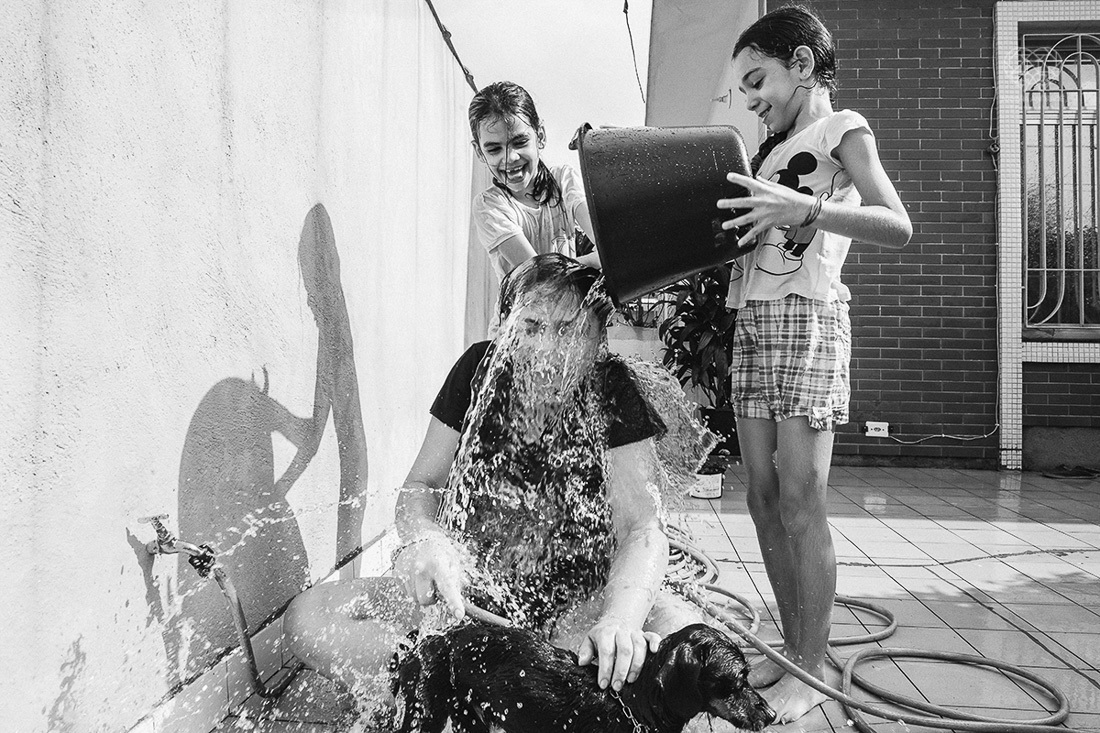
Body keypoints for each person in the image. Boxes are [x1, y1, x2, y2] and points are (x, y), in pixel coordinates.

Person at [284, 254, 713, 724]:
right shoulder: (477, 370)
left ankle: (483, 697)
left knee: (683, 637)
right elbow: (421, 485)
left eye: (569, 331)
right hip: (469, 598)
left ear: (599, 338)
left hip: (575, 605)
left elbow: (641, 530)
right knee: (308, 618)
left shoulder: (613, 389)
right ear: (506, 326)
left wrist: (620, 620)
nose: (548, 350)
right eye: (530, 327)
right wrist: (426, 541)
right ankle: (437, 685)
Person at [714, 4, 912, 724]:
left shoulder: (842, 127)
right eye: (743, 88)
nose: (752, 96)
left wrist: (806, 210)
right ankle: (792, 648)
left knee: (802, 499)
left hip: (809, 319)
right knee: (762, 496)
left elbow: (898, 223)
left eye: (758, 77)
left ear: (802, 63)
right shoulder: (763, 152)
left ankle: (813, 664)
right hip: (754, 319)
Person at [469, 81, 600, 281]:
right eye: (494, 149)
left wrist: (602, 258)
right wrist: (592, 262)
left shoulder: (563, 181)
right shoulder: (490, 206)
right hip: (523, 312)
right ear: (479, 152)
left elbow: (606, 247)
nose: (510, 158)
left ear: (540, 135)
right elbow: (542, 276)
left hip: (571, 309)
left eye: (520, 142)